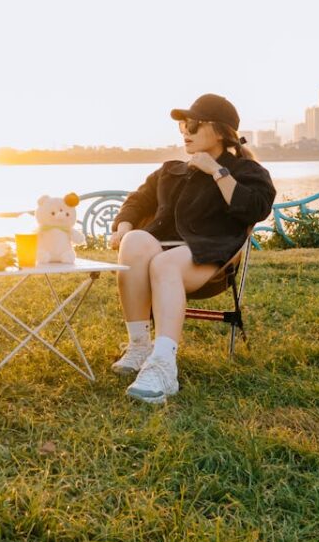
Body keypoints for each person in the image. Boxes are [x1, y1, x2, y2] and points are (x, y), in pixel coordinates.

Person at [108, 93, 276, 404]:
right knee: (135, 241)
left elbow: (255, 208)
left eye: (193, 125)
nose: (185, 131)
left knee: (166, 264)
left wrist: (217, 172)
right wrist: (124, 225)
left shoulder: (246, 171)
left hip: (208, 259)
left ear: (220, 131)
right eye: (183, 125)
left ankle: (163, 367)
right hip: (161, 251)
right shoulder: (171, 171)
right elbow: (137, 200)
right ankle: (140, 345)